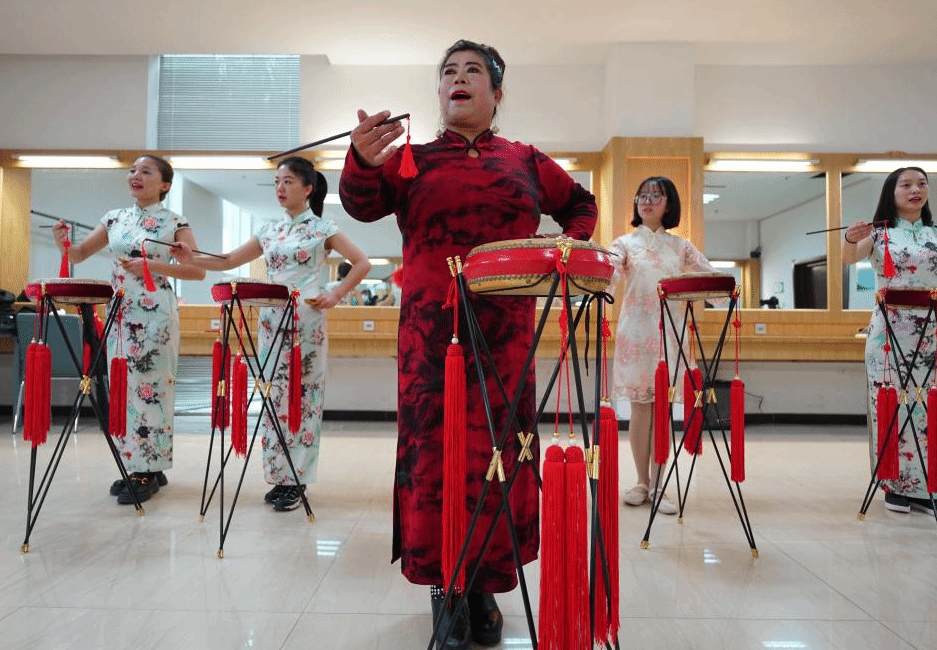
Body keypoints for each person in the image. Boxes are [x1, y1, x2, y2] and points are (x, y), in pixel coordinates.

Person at [339, 39, 597, 650]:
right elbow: (361, 204)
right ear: (439, 92)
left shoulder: (526, 160)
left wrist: (565, 251)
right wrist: (360, 159)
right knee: (437, 460)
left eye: (473, 71)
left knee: (499, 459)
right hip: (431, 342)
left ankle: (484, 585)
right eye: (448, 72)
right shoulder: (413, 160)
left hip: (507, 341)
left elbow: (580, 206)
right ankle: (446, 590)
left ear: (496, 92)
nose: (458, 79)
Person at [174, 156, 371, 511]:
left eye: (288, 182)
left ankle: (296, 480)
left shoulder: (323, 230)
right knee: (271, 397)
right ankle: (278, 476)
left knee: (302, 395)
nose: (280, 188)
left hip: (305, 321)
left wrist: (336, 293)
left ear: (308, 189)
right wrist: (191, 256)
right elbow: (227, 260)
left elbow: (363, 262)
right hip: (269, 320)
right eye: (277, 182)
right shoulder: (268, 229)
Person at [51, 155, 206, 504]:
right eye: (133, 170)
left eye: (146, 171)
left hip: (157, 316)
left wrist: (153, 263)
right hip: (122, 315)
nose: (136, 175)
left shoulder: (175, 221)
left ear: (164, 184)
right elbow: (78, 254)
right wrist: (64, 242)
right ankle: (144, 464)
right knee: (124, 387)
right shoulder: (114, 218)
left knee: (152, 389)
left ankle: (145, 469)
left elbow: (197, 271)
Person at [608, 176, 719, 516]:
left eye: (656, 196)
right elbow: (606, 278)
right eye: (642, 195)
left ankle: (659, 484)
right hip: (635, 336)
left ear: (669, 204)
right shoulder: (624, 243)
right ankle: (641, 482)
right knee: (641, 408)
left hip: (670, 336)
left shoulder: (681, 247)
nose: (647, 201)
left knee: (663, 408)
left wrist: (705, 291)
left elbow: (710, 278)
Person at [842, 166, 935, 516]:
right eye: (906, 185)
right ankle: (893, 485)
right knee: (890, 405)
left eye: (922, 184)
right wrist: (851, 238)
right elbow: (849, 258)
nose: (916, 190)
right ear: (891, 192)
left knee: (927, 408)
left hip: (931, 331)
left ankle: (925, 486)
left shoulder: (935, 234)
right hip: (888, 331)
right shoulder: (879, 234)